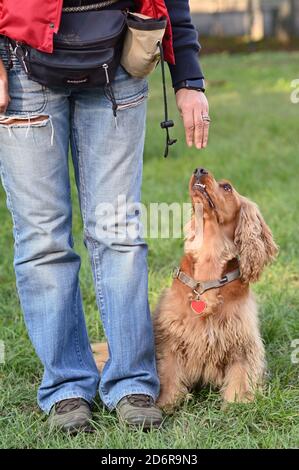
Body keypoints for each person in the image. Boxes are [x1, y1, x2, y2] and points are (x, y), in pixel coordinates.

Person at [0, 0, 209, 432]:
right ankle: (67, 387)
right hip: (21, 63)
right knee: (42, 239)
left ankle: (132, 383)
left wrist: (188, 74)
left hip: (120, 59)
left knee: (119, 234)